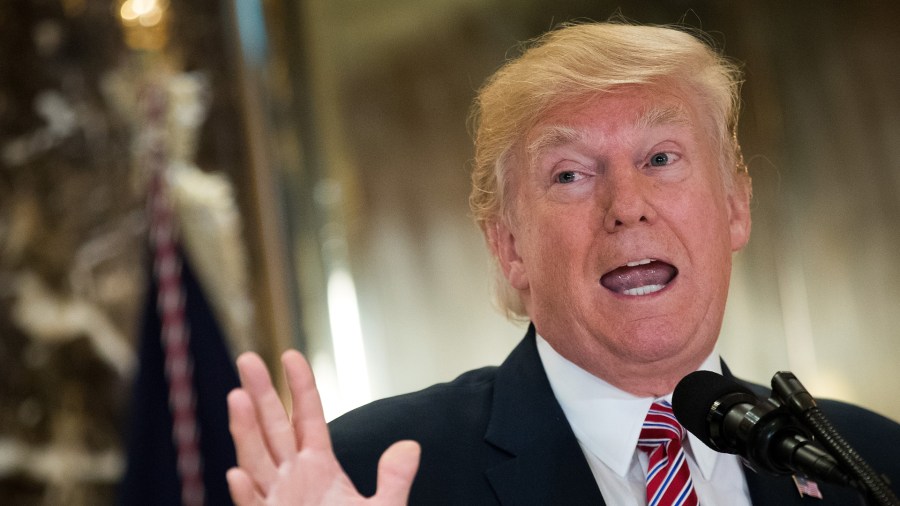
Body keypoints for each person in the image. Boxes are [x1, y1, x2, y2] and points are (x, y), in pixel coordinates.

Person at [225, 21, 900, 505]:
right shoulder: (373, 469)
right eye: (571, 174)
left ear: (735, 207)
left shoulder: (868, 463)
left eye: (661, 158)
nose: (626, 207)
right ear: (509, 245)